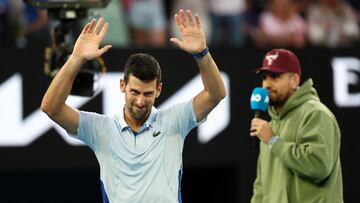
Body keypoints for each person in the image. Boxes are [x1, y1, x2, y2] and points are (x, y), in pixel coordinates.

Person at [41, 9, 226, 203]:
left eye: (148, 94)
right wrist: (76, 58)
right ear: (123, 85)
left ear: (159, 90)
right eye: (134, 92)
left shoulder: (174, 121)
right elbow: (51, 108)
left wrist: (202, 54)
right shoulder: (101, 128)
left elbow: (216, 94)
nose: (140, 101)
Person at [249, 49, 343, 203]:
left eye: (275, 76)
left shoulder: (316, 114)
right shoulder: (269, 127)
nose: (267, 84)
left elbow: (318, 166)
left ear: (294, 80)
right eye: (264, 77)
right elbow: (261, 187)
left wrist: (273, 141)